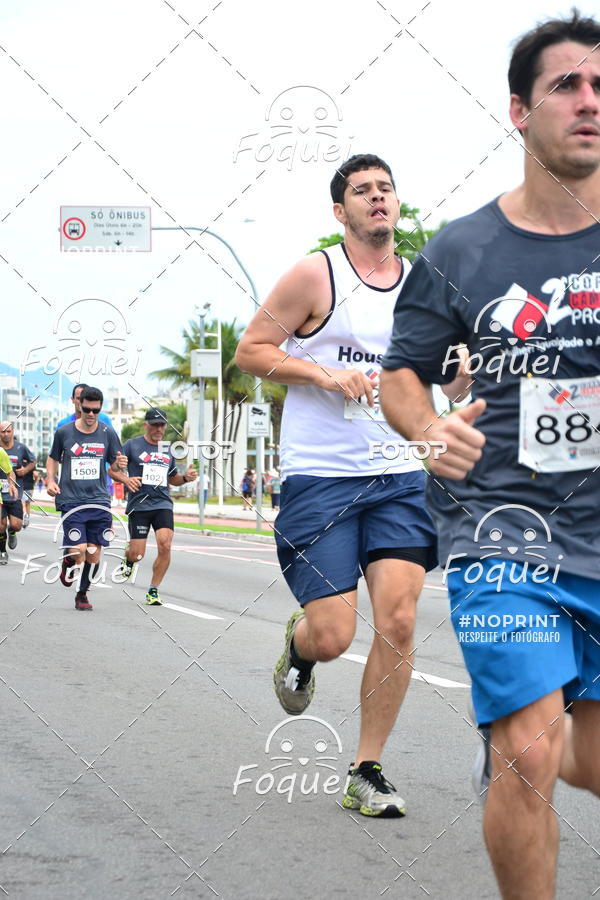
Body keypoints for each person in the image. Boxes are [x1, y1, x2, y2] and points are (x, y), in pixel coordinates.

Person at [379, 11, 600, 896]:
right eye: (567, 86)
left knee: (576, 757)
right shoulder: (460, 250)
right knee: (530, 748)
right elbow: (401, 377)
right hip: (505, 537)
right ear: (519, 110)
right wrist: (428, 429)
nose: (590, 103)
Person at [236, 153, 438, 818]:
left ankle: (366, 769)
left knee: (401, 620)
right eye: (363, 190)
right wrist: (325, 376)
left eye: (386, 187)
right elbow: (253, 351)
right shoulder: (314, 274)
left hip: (399, 476)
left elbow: (440, 372)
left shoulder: (423, 283)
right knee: (333, 635)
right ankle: (301, 646)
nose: (378, 197)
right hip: (322, 479)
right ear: (340, 210)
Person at [109, 407, 197, 606]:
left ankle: (153, 590)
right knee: (137, 554)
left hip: (162, 503)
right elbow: (112, 471)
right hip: (139, 506)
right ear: (146, 425)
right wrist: (126, 479)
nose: (159, 429)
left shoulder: (167, 449)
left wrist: (185, 478)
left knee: (165, 544)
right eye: (155, 425)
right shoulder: (132, 445)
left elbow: (173, 479)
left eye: (162, 425)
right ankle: (129, 557)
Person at [46, 386, 122, 610]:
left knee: (93, 554)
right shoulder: (65, 432)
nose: (90, 414)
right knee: (78, 551)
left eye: (95, 410)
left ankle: (82, 594)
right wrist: (51, 480)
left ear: (100, 409)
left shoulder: (108, 432)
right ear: (79, 406)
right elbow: (52, 458)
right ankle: (68, 561)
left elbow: (115, 463)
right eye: (86, 409)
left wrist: (120, 465)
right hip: (71, 500)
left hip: (99, 500)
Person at [0, 422, 35, 556]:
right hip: (0, 495)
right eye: (3, 431)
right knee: (0, 525)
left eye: (8, 431)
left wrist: (25, 470)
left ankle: (12, 531)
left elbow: (33, 461)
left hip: (15, 493)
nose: (6, 434)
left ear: (13, 432)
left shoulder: (21, 448)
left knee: (16, 525)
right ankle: (3, 551)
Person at [0, 445, 19, 564]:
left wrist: (12, 485)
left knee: (1, 525)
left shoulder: (0, 452)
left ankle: (2, 551)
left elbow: (9, 472)